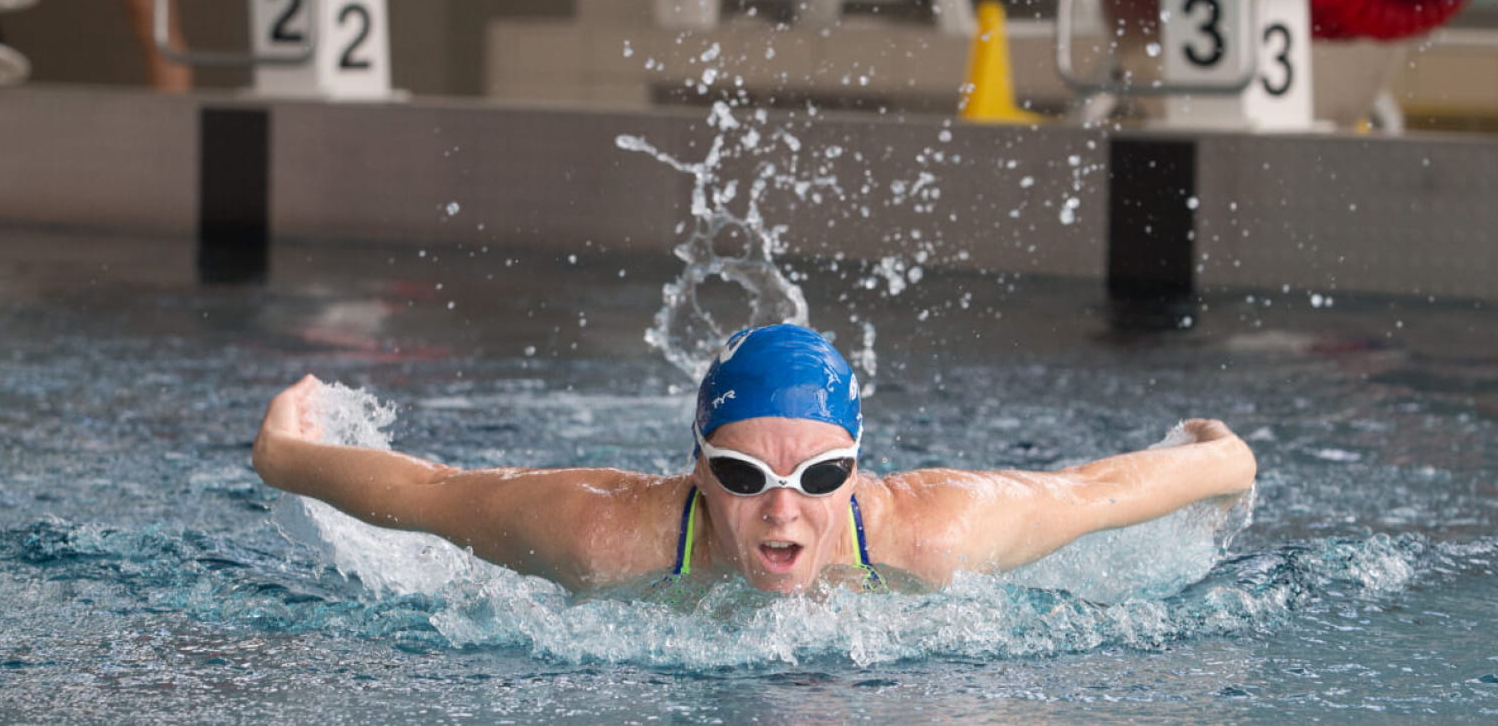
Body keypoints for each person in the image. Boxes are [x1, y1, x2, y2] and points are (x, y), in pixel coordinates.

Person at [253, 324, 1257, 594]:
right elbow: (429, 495)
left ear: (858, 472)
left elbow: (1094, 492)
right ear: (693, 468)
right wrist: (286, 454)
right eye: (743, 476)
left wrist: (1224, 457)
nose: (783, 513)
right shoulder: (604, 535)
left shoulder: (940, 533)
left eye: (820, 478)